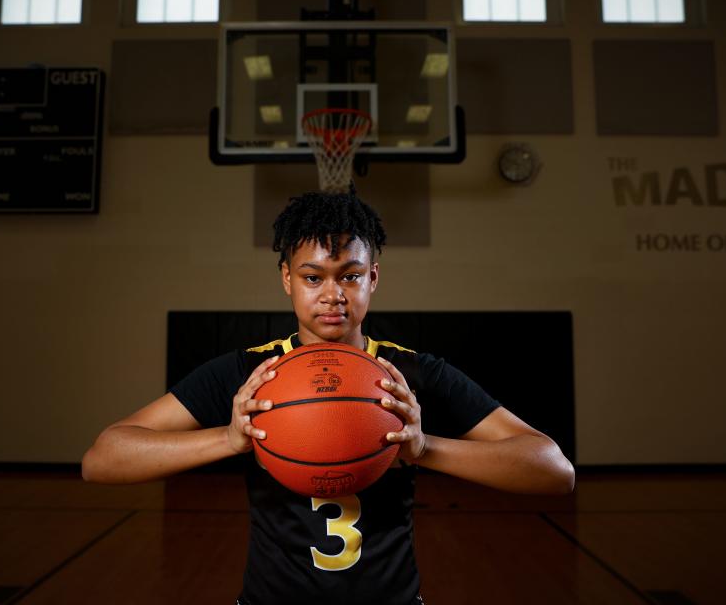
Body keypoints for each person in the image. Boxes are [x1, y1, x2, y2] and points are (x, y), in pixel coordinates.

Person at [82, 188, 575, 605]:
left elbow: (554, 470)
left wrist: (424, 449)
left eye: (351, 276)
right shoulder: (248, 374)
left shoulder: (411, 375)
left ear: (373, 278)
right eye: (313, 277)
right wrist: (230, 440)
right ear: (286, 279)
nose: (333, 294)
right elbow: (103, 458)